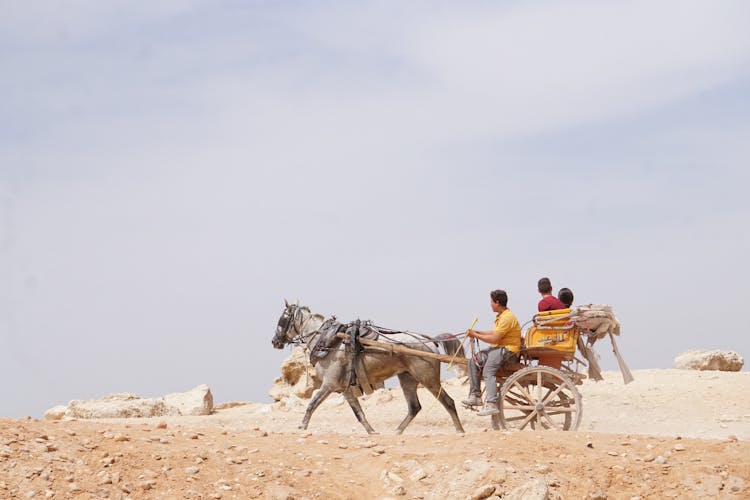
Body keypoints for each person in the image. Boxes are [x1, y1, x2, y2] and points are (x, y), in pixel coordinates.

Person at [461, 289, 522, 416]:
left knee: (488, 370)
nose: (490, 304)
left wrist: (476, 335)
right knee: (473, 361)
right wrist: (476, 332)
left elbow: (494, 338)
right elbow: (494, 333)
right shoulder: (502, 316)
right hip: (499, 349)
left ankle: (491, 404)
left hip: (508, 351)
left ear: (497, 302)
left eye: (491, 302)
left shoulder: (507, 318)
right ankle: (475, 396)